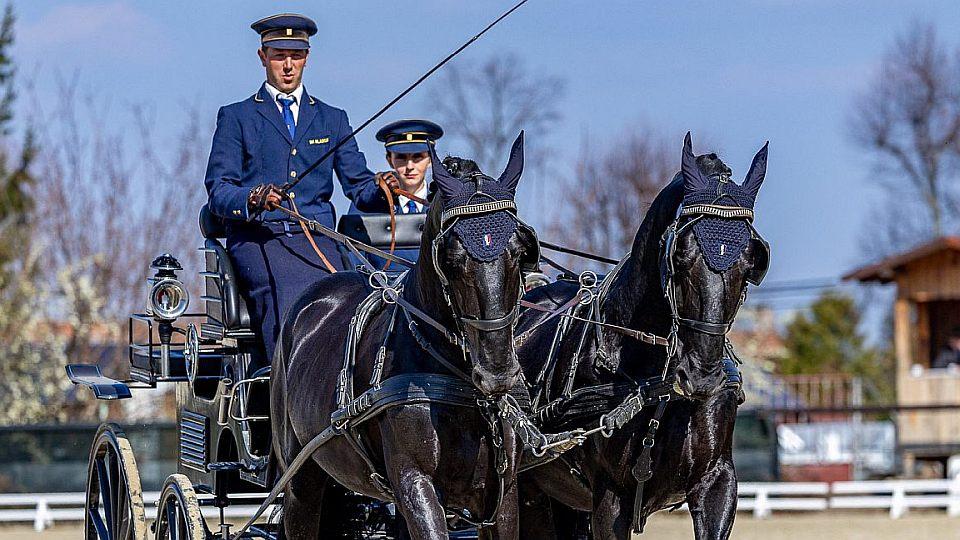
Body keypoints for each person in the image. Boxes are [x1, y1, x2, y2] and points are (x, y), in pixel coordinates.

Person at [203, 13, 398, 361]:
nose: (288, 65)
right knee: (293, 301)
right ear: (263, 57)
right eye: (279, 55)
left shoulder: (332, 118)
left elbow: (359, 186)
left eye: (296, 56)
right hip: (261, 237)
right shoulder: (237, 117)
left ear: (307, 57)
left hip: (318, 235)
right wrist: (253, 197)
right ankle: (284, 398)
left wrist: (386, 188)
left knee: (354, 298)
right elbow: (219, 190)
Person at [347, 120, 442, 267]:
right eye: (401, 158)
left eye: (417, 157)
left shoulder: (443, 205)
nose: (410, 166)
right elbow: (353, 261)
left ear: (430, 160)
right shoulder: (367, 204)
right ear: (389, 160)